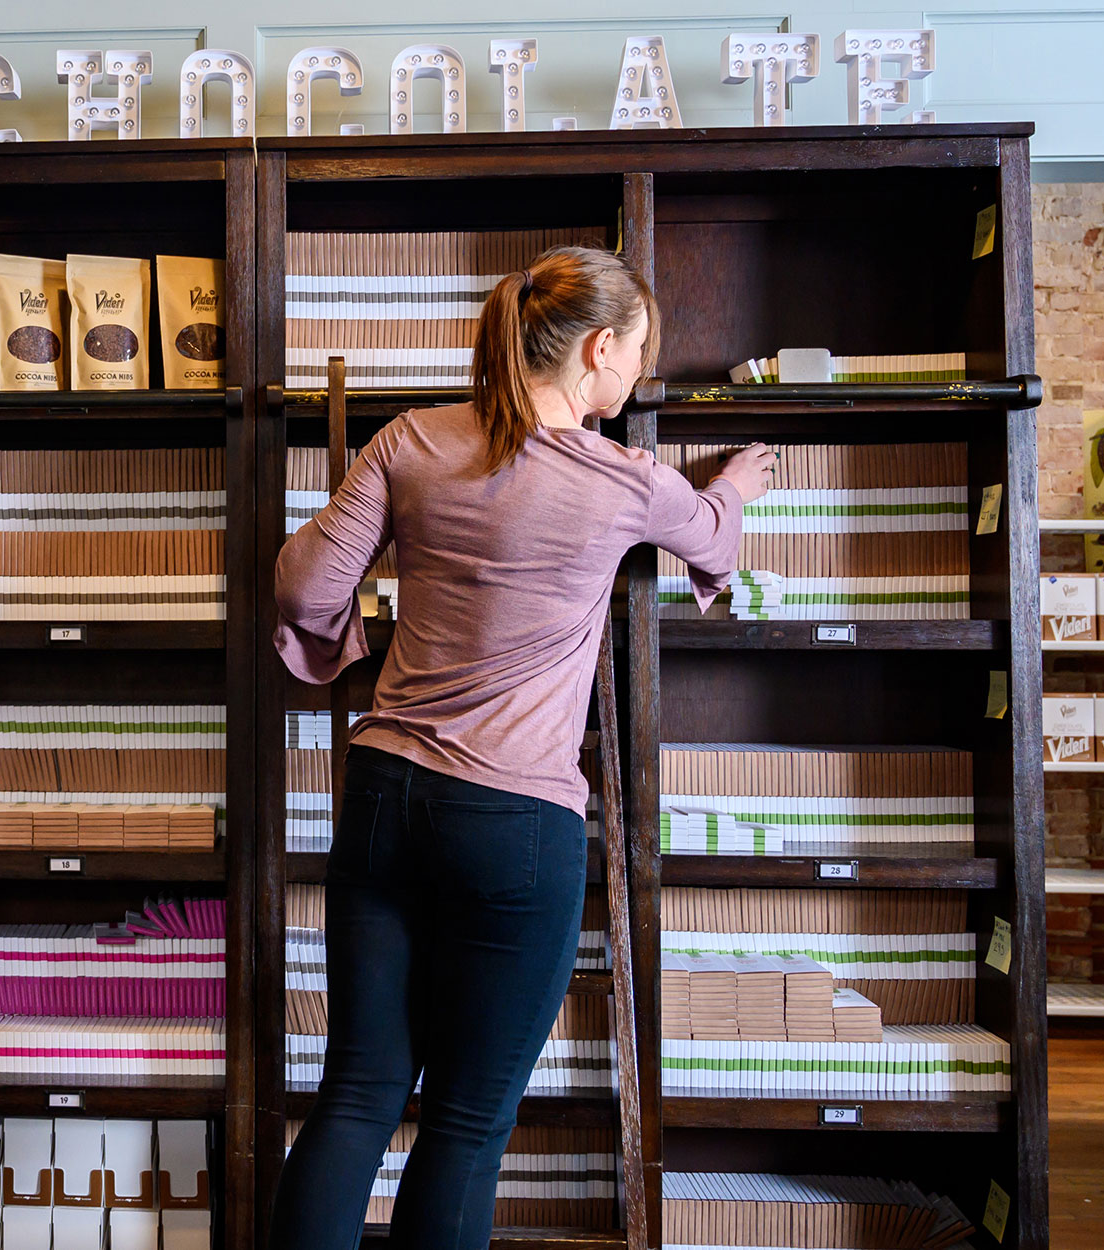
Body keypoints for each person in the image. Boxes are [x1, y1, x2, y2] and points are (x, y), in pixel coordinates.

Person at [269, 245, 774, 1249]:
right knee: (465, 1120)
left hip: (381, 791)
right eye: (634, 353)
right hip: (512, 823)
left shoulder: (409, 441)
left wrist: (354, 646)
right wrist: (739, 486)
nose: (632, 376)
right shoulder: (625, 477)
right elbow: (712, 539)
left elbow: (300, 587)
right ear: (597, 349)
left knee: (358, 1094)